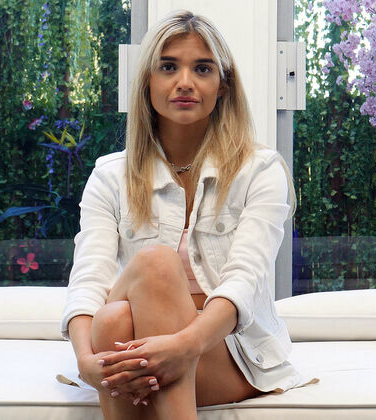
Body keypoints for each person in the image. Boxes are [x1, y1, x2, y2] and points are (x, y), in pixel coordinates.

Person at [61, 10, 300, 420]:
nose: (185, 82)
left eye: (202, 69)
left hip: (222, 350)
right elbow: (89, 281)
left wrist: (182, 346)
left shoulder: (260, 170)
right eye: (168, 67)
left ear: (222, 85)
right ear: (147, 82)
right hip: (134, 344)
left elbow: (243, 282)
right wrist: (85, 362)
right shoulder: (109, 176)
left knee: (151, 269)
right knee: (114, 317)